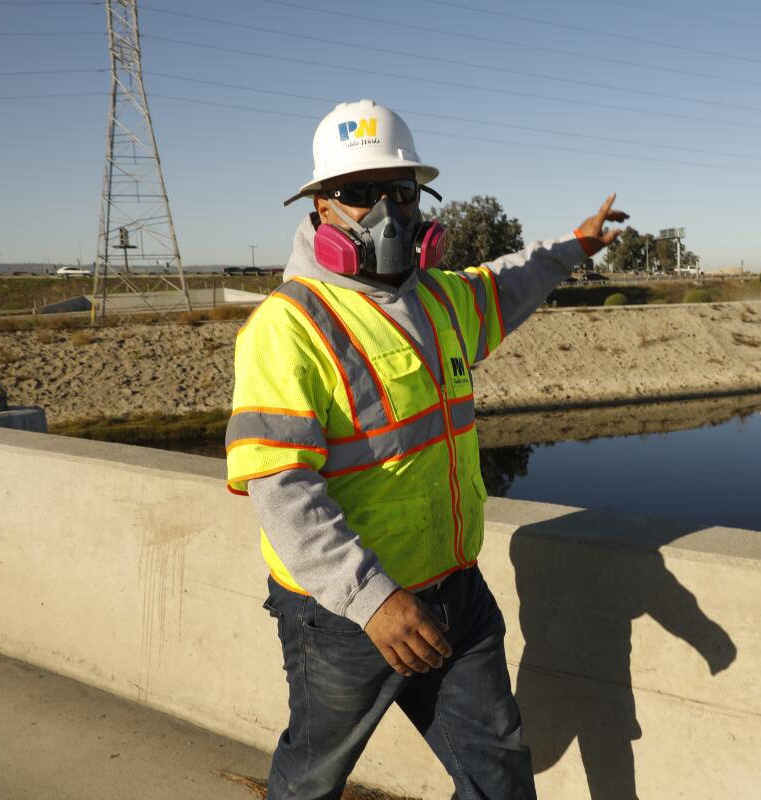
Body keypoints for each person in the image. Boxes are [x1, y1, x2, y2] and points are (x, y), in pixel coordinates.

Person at [225, 99, 627, 800]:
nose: (384, 211)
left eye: (399, 191)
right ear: (321, 207)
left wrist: (576, 247)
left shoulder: (442, 301)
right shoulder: (287, 327)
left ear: (420, 201)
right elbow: (281, 489)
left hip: (453, 593)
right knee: (313, 776)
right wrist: (372, 600)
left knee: (498, 772)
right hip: (346, 617)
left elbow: (511, 281)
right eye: (357, 193)